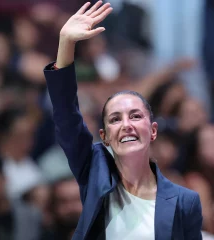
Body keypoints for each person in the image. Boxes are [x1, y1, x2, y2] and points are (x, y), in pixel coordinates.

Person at [43, 1, 203, 239]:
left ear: (153, 130)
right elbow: (67, 116)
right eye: (115, 119)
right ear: (104, 136)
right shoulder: (94, 170)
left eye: (136, 116)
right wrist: (66, 43)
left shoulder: (185, 202)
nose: (126, 124)